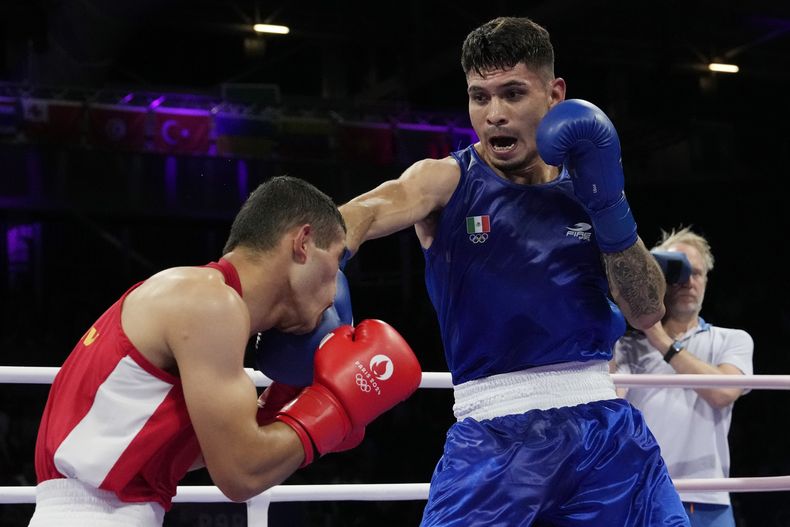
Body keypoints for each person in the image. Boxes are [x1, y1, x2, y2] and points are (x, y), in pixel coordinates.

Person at [339, 16, 691, 526]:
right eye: (479, 97)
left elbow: (646, 310)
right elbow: (367, 211)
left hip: (605, 433)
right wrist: (321, 267)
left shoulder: (590, 188)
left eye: (512, 93)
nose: (495, 115)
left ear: (554, 94)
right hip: (493, 438)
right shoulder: (446, 180)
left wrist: (610, 209)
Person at [29, 175, 422, 526]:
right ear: (302, 243)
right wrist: (333, 405)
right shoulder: (209, 302)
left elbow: (201, 454)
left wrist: (280, 403)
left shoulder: (204, 303)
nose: (335, 285)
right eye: (336, 260)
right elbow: (240, 474)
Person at [612, 226, 754, 527]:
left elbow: (722, 394)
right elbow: (611, 402)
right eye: (678, 271)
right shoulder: (625, 346)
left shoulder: (732, 340)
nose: (688, 281)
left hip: (708, 498)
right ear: (660, 277)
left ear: (706, 281)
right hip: (642, 493)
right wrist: (619, 309)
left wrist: (659, 339)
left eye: (697, 273)